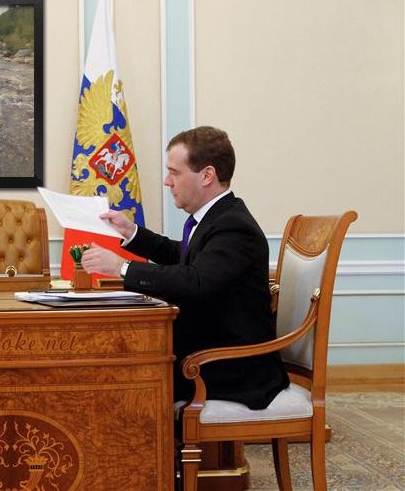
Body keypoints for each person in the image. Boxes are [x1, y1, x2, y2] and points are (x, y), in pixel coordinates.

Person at [81, 126, 289, 410]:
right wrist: (131, 233)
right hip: (209, 349)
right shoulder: (218, 217)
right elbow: (182, 256)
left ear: (207, 175)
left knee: (125, 370)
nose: (167, 182)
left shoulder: (234, 226)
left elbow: (195, 281)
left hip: (232, 366)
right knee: (121, 360)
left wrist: (122, 267)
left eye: (175, 173)